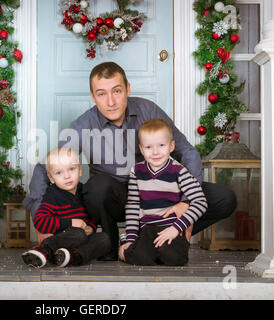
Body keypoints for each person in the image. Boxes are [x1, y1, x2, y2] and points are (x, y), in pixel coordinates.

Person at [23, 62, 237, 261]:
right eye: (101, 94)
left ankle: (156, 234)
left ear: (128, 89)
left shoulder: (148, 110)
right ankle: (111, 244)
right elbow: (47, 167)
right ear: (92, 96)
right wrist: (40, 216)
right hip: (116, 199)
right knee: (97, 187)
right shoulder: (83, 125)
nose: (111, 101)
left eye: (117, 91)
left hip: (161, 194)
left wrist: (186, 202)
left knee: (224, 198)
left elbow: (187, 151)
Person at [119, 119, 208, 265]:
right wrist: (131, 239)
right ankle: (132, 246)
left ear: (171, 146)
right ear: (141, 149)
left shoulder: (179, 171)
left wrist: (176, 228)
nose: (155, 152)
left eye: (161, 145)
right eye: (148, 147)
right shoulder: (137, 171)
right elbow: (133, 207)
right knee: (135, 256)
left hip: (172, 229)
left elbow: (201, 202)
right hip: (148, 229)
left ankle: (152, 252)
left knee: (175, 259)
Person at [21, 146, 111, 268]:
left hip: (81, 241)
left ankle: (73, 257)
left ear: (80, 170)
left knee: (104, 239)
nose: (67, 176)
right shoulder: (52, 196)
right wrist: (70, 222)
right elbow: (40, 221)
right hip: (61, 238)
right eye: (59, 172)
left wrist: (91, 227)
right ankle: (45, 249)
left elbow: (92, 215)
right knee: (78, 233)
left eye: (71, 169)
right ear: (51, 178)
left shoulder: (85, 191)